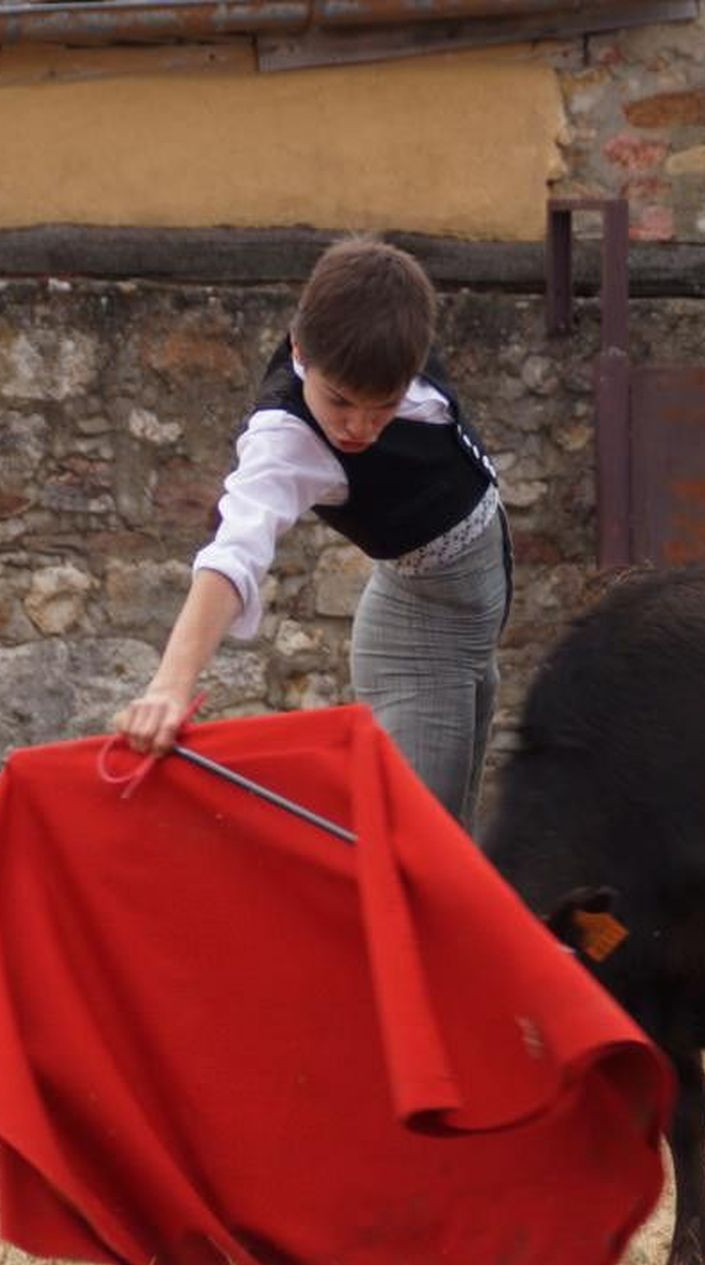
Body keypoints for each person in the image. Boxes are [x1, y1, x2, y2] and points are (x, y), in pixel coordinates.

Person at [116, 238, 512, 829]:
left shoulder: (388, 326)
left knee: (452, 851)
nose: (359, 426)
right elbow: (235, 550)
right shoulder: (286, 438)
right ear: (301, 348)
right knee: (416, 868)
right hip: (422, 648)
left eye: (384, 406)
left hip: (467, 634)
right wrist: (171, 686)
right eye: (340, 401)